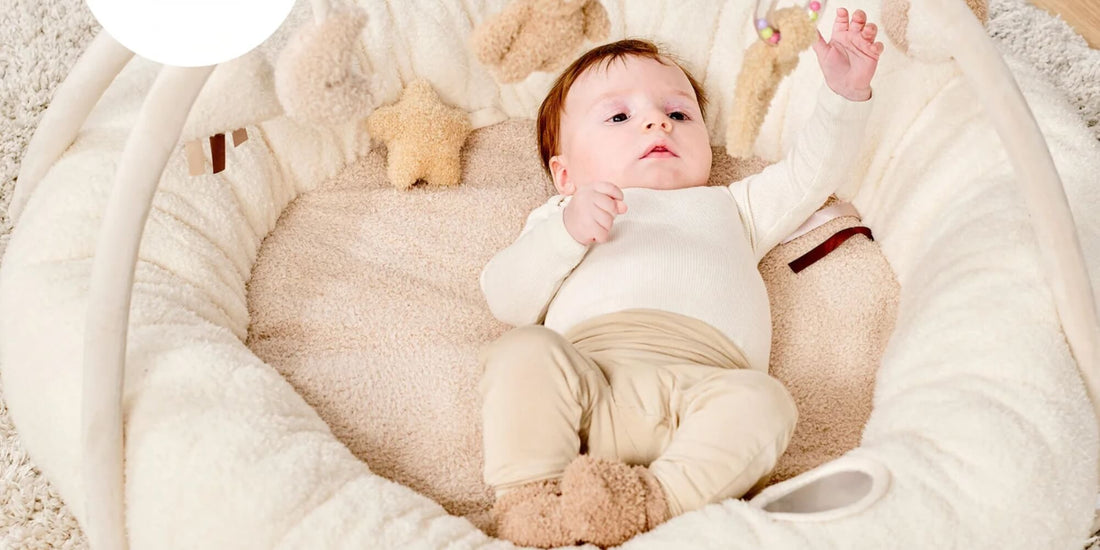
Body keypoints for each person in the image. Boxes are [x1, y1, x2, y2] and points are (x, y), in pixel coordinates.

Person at [479, 8, 883, 548]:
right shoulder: (561, 216)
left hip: (704, 393)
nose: (657, 122)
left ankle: (649, 503)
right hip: (591, 386)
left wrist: (843, 95)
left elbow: (810, 173)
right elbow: (505, 298)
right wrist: (567, 233)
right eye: (619, 117)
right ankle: (533, 503)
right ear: (565, 173)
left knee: (765, 404)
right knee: (524, 352)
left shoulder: (732, 207)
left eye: (679, 113)